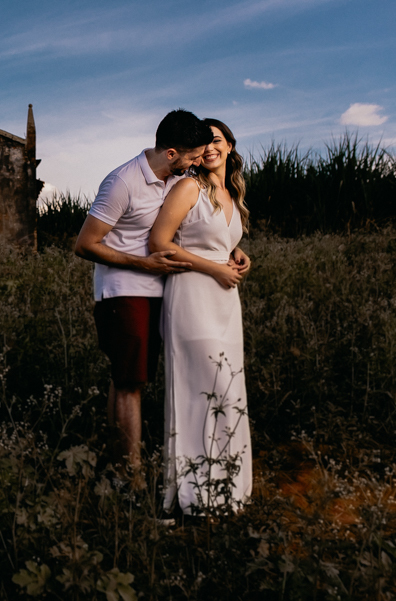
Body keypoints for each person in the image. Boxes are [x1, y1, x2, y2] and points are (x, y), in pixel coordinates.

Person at [74, 109, 215, 481]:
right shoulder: (122, 182)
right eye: (193, 156)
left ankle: (113, 454)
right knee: (130, 383)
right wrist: (141, 265)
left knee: (126, 379)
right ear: (171, 153)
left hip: (160, 292)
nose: (198, 162)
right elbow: (85, 244)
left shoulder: (178, 178)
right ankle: (130, 474)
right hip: (123, 292)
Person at [148, 118, 252, 514]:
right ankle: (193, 491)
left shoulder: (231, 192)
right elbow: (159, 241)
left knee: (228, 389)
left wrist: (238, 254)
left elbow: (220, 241)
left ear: (229, 145)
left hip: (226, 302)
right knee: (199, 390)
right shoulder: (188, 186)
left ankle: (227, 485)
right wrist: (215, 268)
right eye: (204, 142)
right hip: (192, 295)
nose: (210, 147)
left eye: (217, 140)